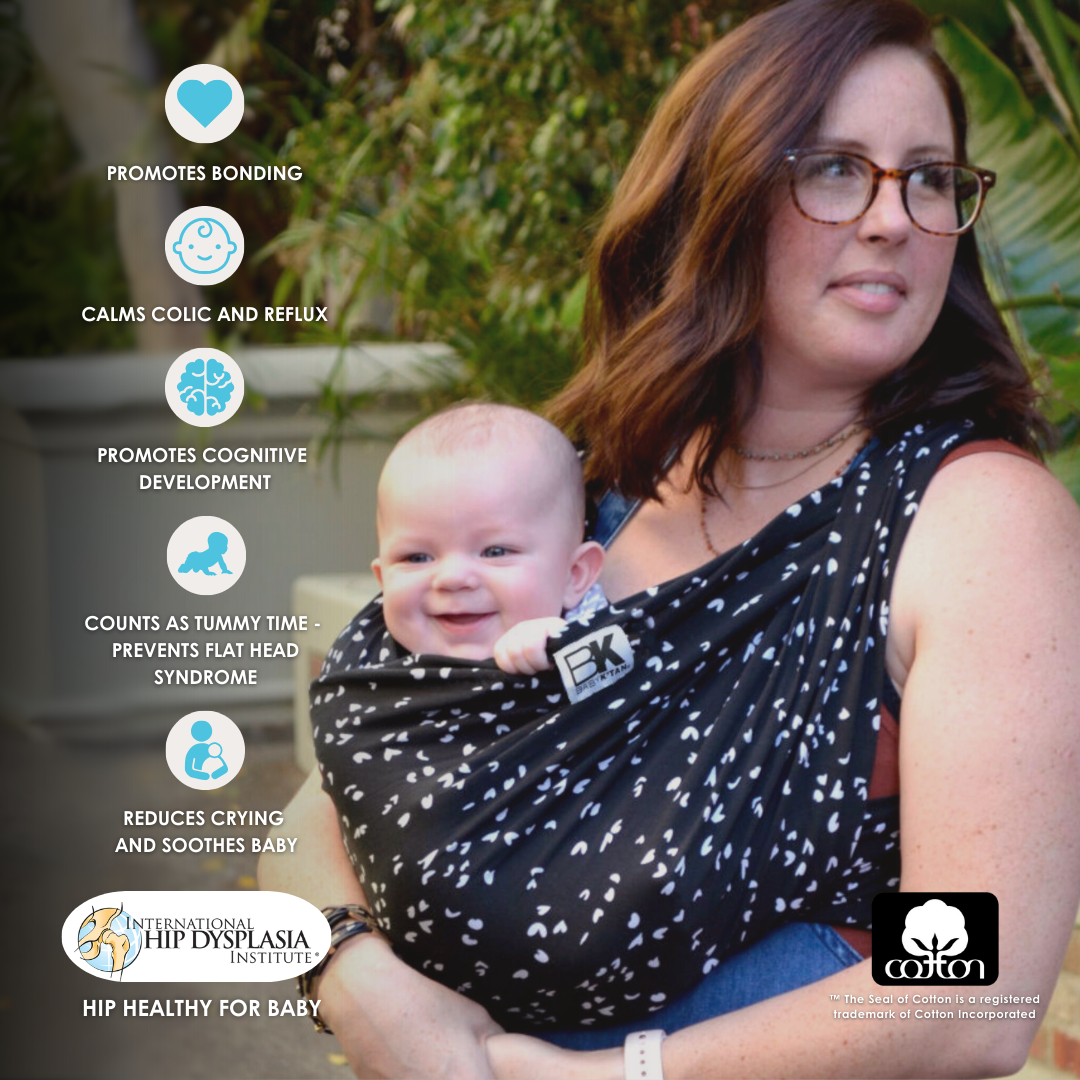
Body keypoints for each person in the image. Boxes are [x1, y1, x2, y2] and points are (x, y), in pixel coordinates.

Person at [259, 1, 1080, 1076]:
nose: (896, 219)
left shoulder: (975, 520)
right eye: (836, 168)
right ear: (717, 198)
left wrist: (614, 1074)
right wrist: (347, 974)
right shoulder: (596, 490)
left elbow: (978, 982)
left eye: (930, 178)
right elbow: (338, 798)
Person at [365, 400, 606, 667]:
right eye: (417, 557)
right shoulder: (368, 662)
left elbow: (631, 674)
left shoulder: (602, 634)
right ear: (382, 580)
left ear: (574, 575)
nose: (452, 578)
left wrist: (561, 647)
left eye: (495, 552)